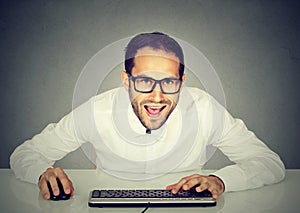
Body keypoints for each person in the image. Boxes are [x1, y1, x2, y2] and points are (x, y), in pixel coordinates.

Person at [10, 32, 285, 201]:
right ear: (126, 81)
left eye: (168, 82)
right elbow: (25, 154)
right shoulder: (97, 110)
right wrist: (41, 174)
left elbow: (269, 163)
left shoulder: (204, 108)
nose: (156, 96)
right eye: (143, 81)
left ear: (182, 81)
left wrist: (221, 181)